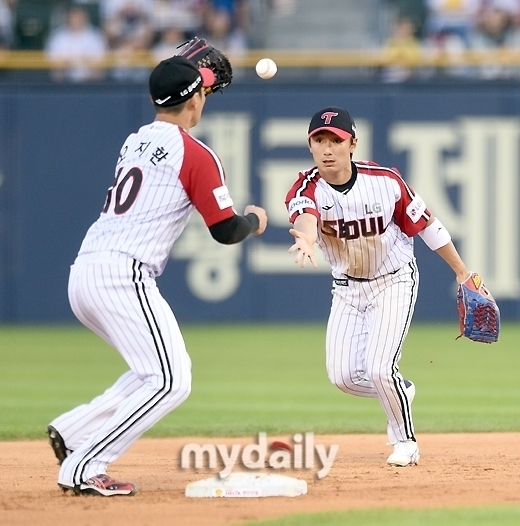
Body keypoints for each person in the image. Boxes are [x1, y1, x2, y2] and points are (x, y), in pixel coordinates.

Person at [46, 54, 268, 496]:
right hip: (123, 274)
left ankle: (75, 430)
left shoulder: (137, 139)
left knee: (153, 371)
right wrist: (255, 221)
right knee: (171, 379)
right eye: (203, 91)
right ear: (194, 101)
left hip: (86, 269)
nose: (206, 96)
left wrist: (191, 77)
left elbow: (178, 94)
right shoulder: (196, 153)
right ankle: (84, 464)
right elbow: (225, 230)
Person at [285, 107, 472, 467]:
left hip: (394, 280)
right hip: (347, 288)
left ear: (352, 143)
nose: (327, 149)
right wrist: (307, 240)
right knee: (342, 377)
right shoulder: (305, 187)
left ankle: (406, 441)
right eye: (318, 141)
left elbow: (427, 224)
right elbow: (306, 218)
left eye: (335, 141)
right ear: (310, 147)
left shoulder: (385, 181)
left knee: (379, 368)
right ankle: (400, 392)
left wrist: (461, 272)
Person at [44, 5, 108, 82]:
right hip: (64, 82)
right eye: (73, 16)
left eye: (78, 17)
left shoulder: (95, 36)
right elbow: (51, 61)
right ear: (67, 18)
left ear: (85, 17)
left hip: (90, 82)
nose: (76, 20)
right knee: (56, 73)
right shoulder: (58, 36)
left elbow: (101, 61)